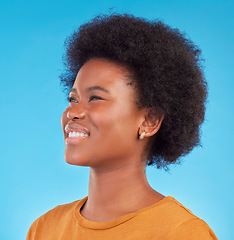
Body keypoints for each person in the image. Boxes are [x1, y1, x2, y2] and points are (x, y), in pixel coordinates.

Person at [26, 13, 218, 239]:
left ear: (150, 121)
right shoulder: (45, 228)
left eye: (96, 98)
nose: (72, 113)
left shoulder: (181, 232)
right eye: (72, 99)